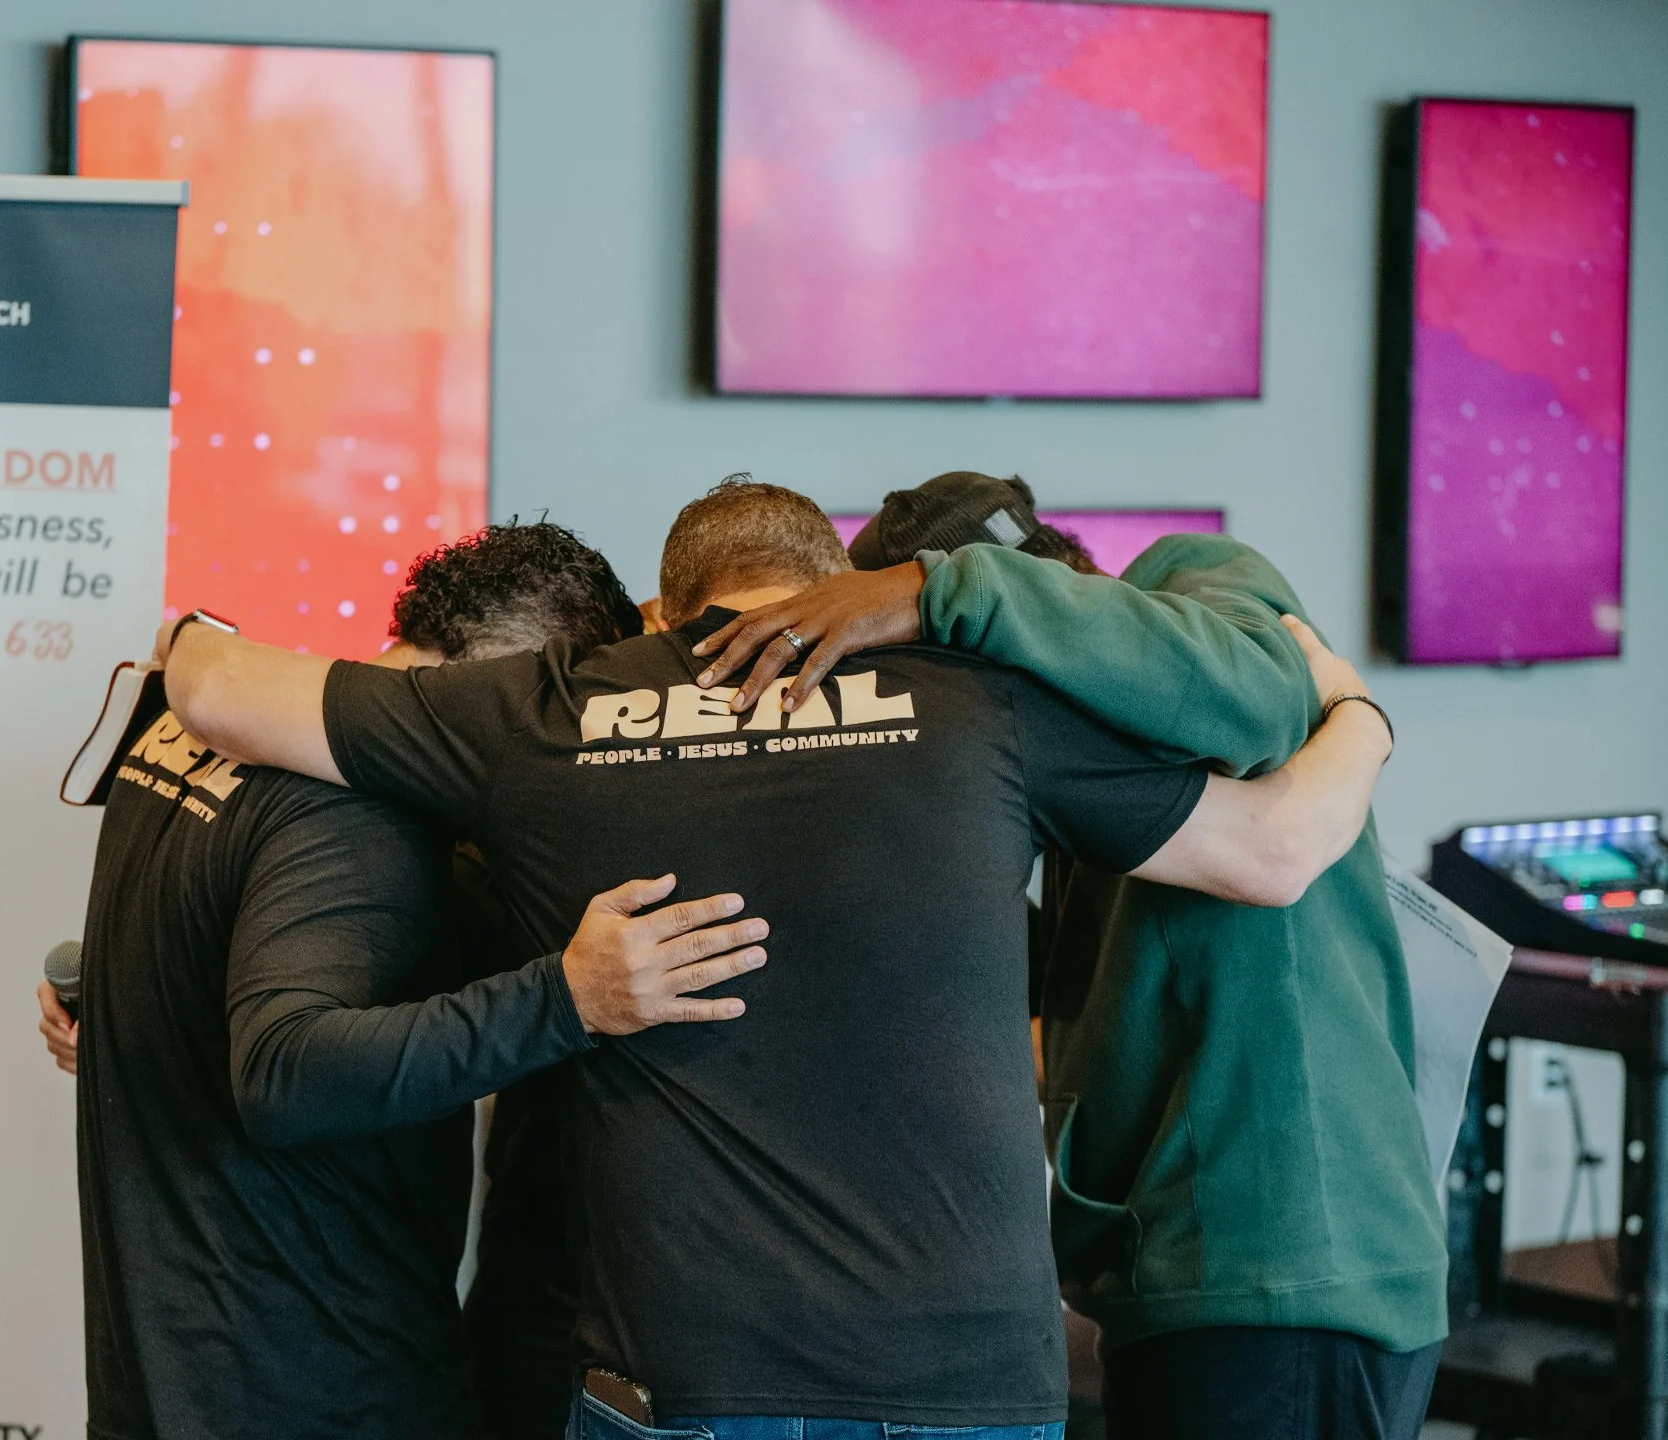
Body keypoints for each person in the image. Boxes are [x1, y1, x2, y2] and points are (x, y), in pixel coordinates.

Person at [151, 475, 1394, 1440]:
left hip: (682, 1380)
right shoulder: (984, 699)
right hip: (966, 1386)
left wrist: (196, 649)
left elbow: (208, 686)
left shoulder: (556, 707)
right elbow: (1277, 850)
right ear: (839, 590)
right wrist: (1360, 716)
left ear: (666, 613)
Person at [694, 472, 1445, 1440]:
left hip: (1276, 1276)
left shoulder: (1193, 576)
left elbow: (1260, 700)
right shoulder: (1083, 779)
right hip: (1193, 1284)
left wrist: (935, 591)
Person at [69, 522, 771, 1440]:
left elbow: (223, 949)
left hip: (163, 1374)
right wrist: (567, 999)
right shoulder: (364, 804)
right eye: (543, 717)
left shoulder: (180, 737)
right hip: (315, 1382)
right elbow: (284, 1073)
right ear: (506, 679)